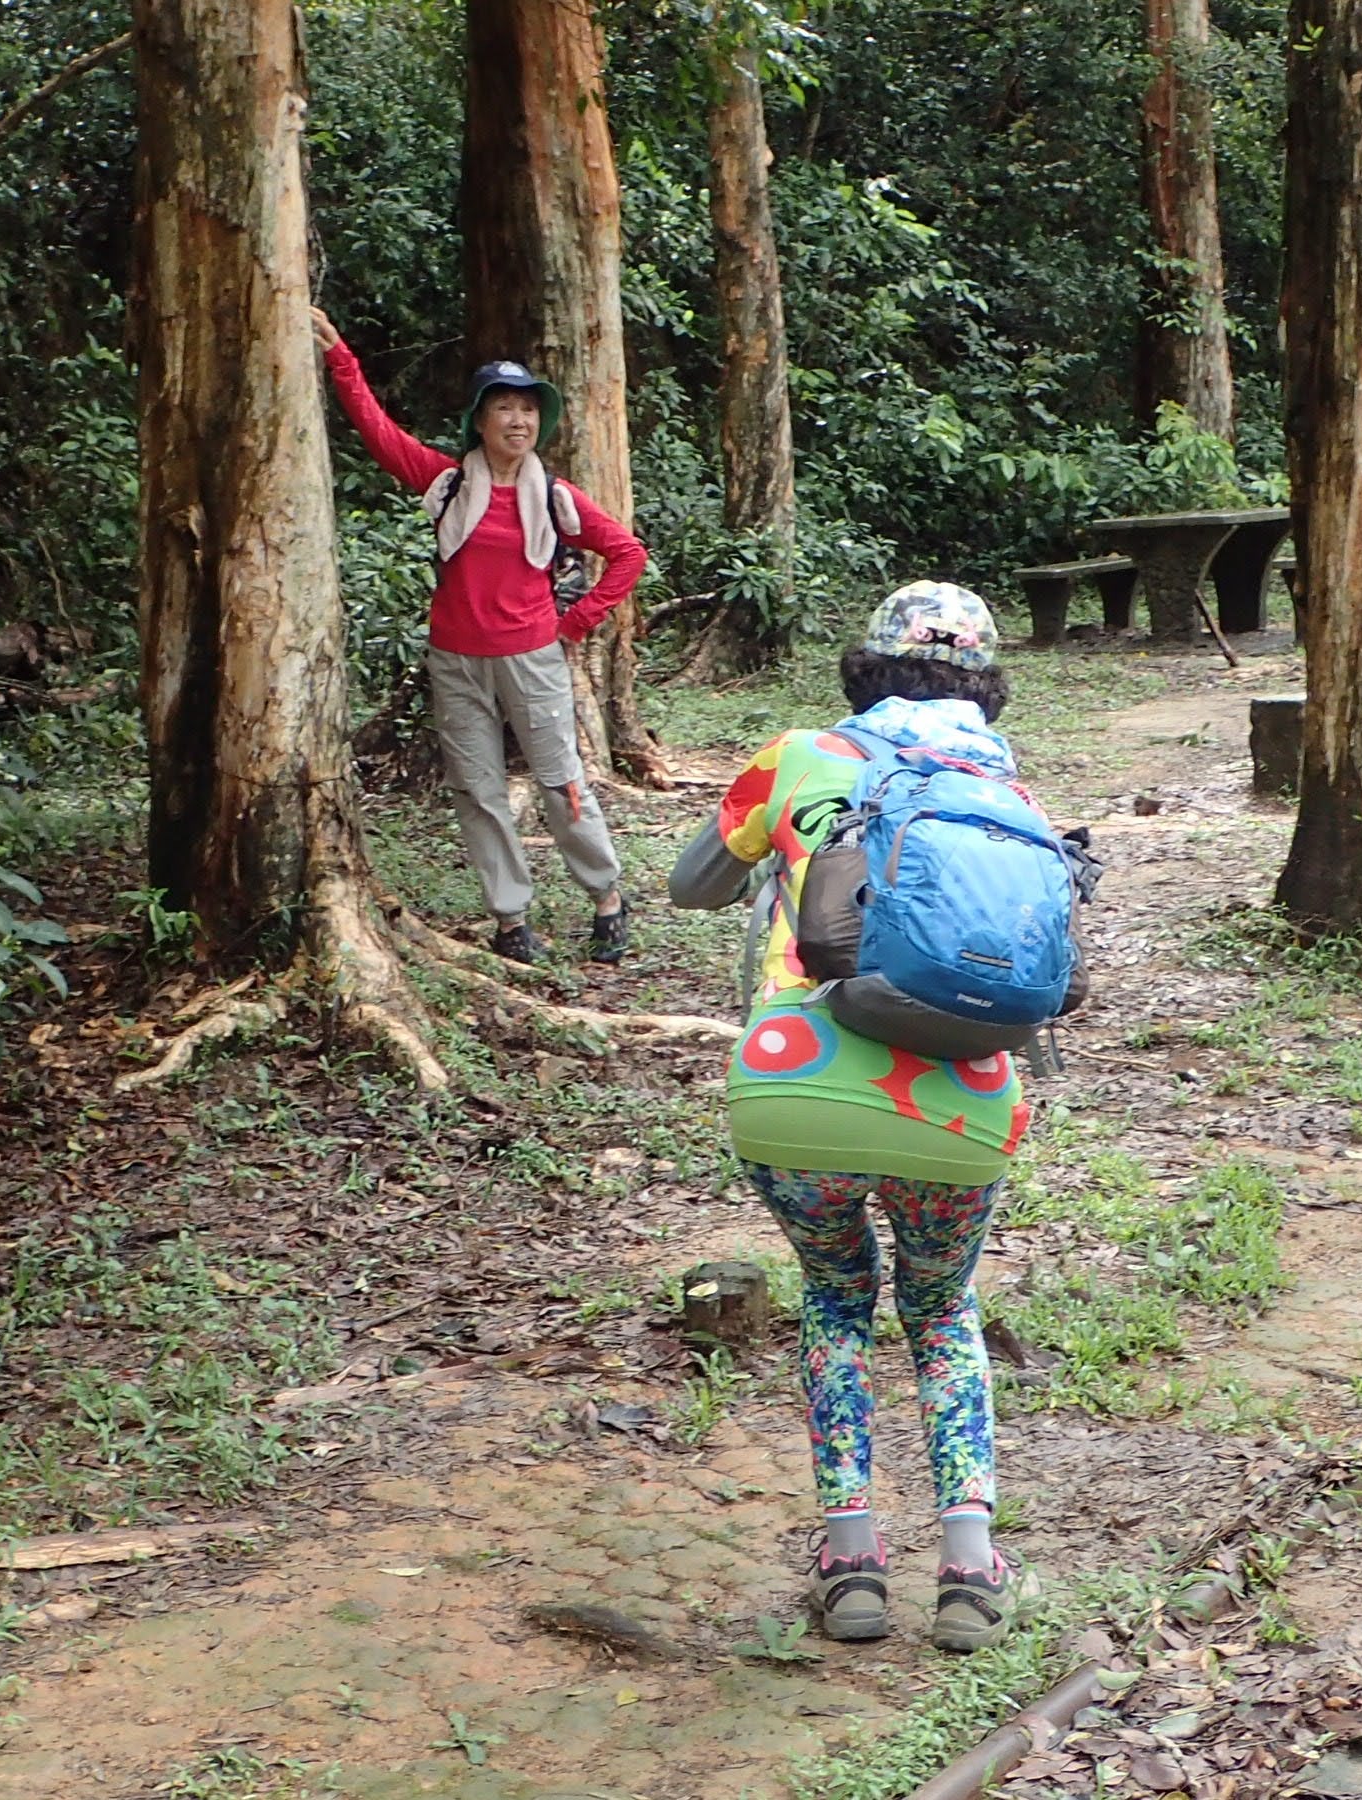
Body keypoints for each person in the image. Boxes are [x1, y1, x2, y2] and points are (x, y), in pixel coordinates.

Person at [665, 580, 1032, 1653]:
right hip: (958, 1103)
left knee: (836, 1299)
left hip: (799, 1088)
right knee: (940, 1309)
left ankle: (851, 1565)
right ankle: (968, 1571)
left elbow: (691, 886)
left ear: (866, 668)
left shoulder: (797, 755)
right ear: (982, 687)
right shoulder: (999, 784)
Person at [315, 307, 646, 965]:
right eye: (504, 408)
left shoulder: (554, 496)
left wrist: (575, 623)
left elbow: (627, 553)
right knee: (477, 789)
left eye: (528, 409)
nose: (518, 420)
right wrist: (340, 358)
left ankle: (607, 898)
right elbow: (379, 432)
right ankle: (510, 918)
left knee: (561, 781)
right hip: (456, 659)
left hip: (533, 657)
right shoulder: (449, 483)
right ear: (480, 420)